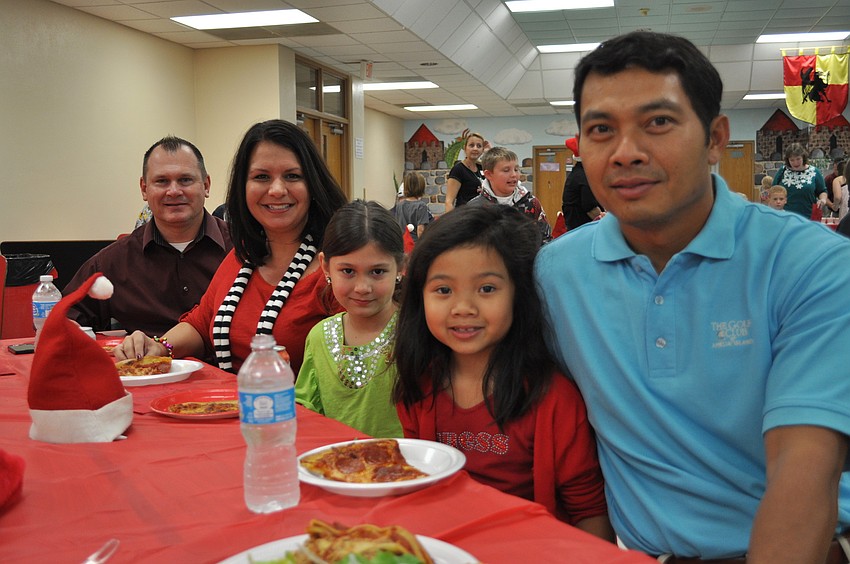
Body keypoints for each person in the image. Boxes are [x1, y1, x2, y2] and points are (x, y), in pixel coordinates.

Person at [534, 31, 850, 562]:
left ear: (715, 138)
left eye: (658, 122)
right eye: (601, 130)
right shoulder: (555, 274)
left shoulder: (811, 264)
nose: (626, 153)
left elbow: (803, 473)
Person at [393, 205, 613, 539]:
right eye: (443, 290)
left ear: (518, 295)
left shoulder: (554, 398)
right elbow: (420, 490)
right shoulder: (419, 385)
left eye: (486, 289)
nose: (463, 308)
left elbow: (588, 511)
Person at [115, 120, 348, 374]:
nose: (277, 189)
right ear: (243, 187)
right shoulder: (241, 257)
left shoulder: (339, 269)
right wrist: (159, 347)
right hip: (231, 407)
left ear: (313, 184)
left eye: (292, 176)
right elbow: (201, 324)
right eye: (261, 177)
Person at [64, 136, 232, 336]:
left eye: (185, 180)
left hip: (229, 367)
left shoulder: (244, 250)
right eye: (162, 181)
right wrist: (65, 329)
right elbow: (65, 316)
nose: (174, 191)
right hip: (146, 366)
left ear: (206, 185)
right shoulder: (114, 262)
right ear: (144, 189)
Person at [295, 200, 404, 438]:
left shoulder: (415, 332)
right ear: (325, 266)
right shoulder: (319, 337)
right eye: (348, 271)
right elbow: (305, 411)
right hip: (335, 468)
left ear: (400, 267)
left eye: (377, 272)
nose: (362, 287)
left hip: (407, 467)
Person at [467, 146, 552, 242]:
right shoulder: (475, 208)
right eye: (506, 170)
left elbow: (545, 238)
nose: (514, 175)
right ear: (489, 174)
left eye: (516, 169)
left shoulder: (531, 203)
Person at [772, 142, 828, 217]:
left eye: (798, 159)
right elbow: (773, 190)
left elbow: (822, 191)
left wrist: (823, 200)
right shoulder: (782, 171)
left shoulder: (814, 172)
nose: (795, 163)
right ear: (787, 160)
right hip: (784, 216)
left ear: (803, 157)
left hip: (807, 216)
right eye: (792, 160)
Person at [561, 135, 603, 230]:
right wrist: (605, 223)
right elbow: (590, 208)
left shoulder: (579, 173)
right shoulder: (583, 177)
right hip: (582, 228)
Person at [445, 133, 486, 211]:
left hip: (481, 215)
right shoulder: (458, 169)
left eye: (479, 146)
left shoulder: (482, 168)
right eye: (471, 145)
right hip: (465, 216)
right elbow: (449, 202)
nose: (475, 148)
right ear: (465, 148)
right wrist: (451, 222)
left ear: (482, 150)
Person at [390, 172, 433, 241]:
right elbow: (420, 230)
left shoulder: (399, 206)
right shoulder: (421, 206)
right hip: (415, 243)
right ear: (421, 187)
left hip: (403, 242)